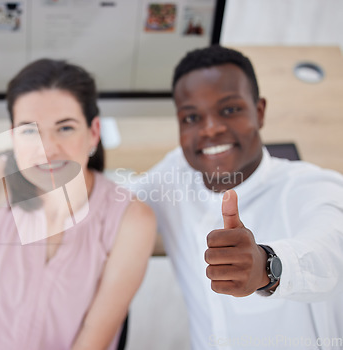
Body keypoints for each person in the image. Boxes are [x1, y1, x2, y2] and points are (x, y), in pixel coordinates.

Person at [0, 59, 156, 350]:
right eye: (29, 131)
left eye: (65, 128)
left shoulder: (131, 219)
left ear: (93, 132)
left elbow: (94, 337)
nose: (46, 150)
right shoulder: (0, 177)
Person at [126, 46, 343, 349]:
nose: (210, 129)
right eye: (191, 117)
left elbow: (330, 255)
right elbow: (115, 202)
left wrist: (267, 266)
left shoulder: (314, 187)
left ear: (260, 111)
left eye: (229, 110)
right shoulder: (176, 172)